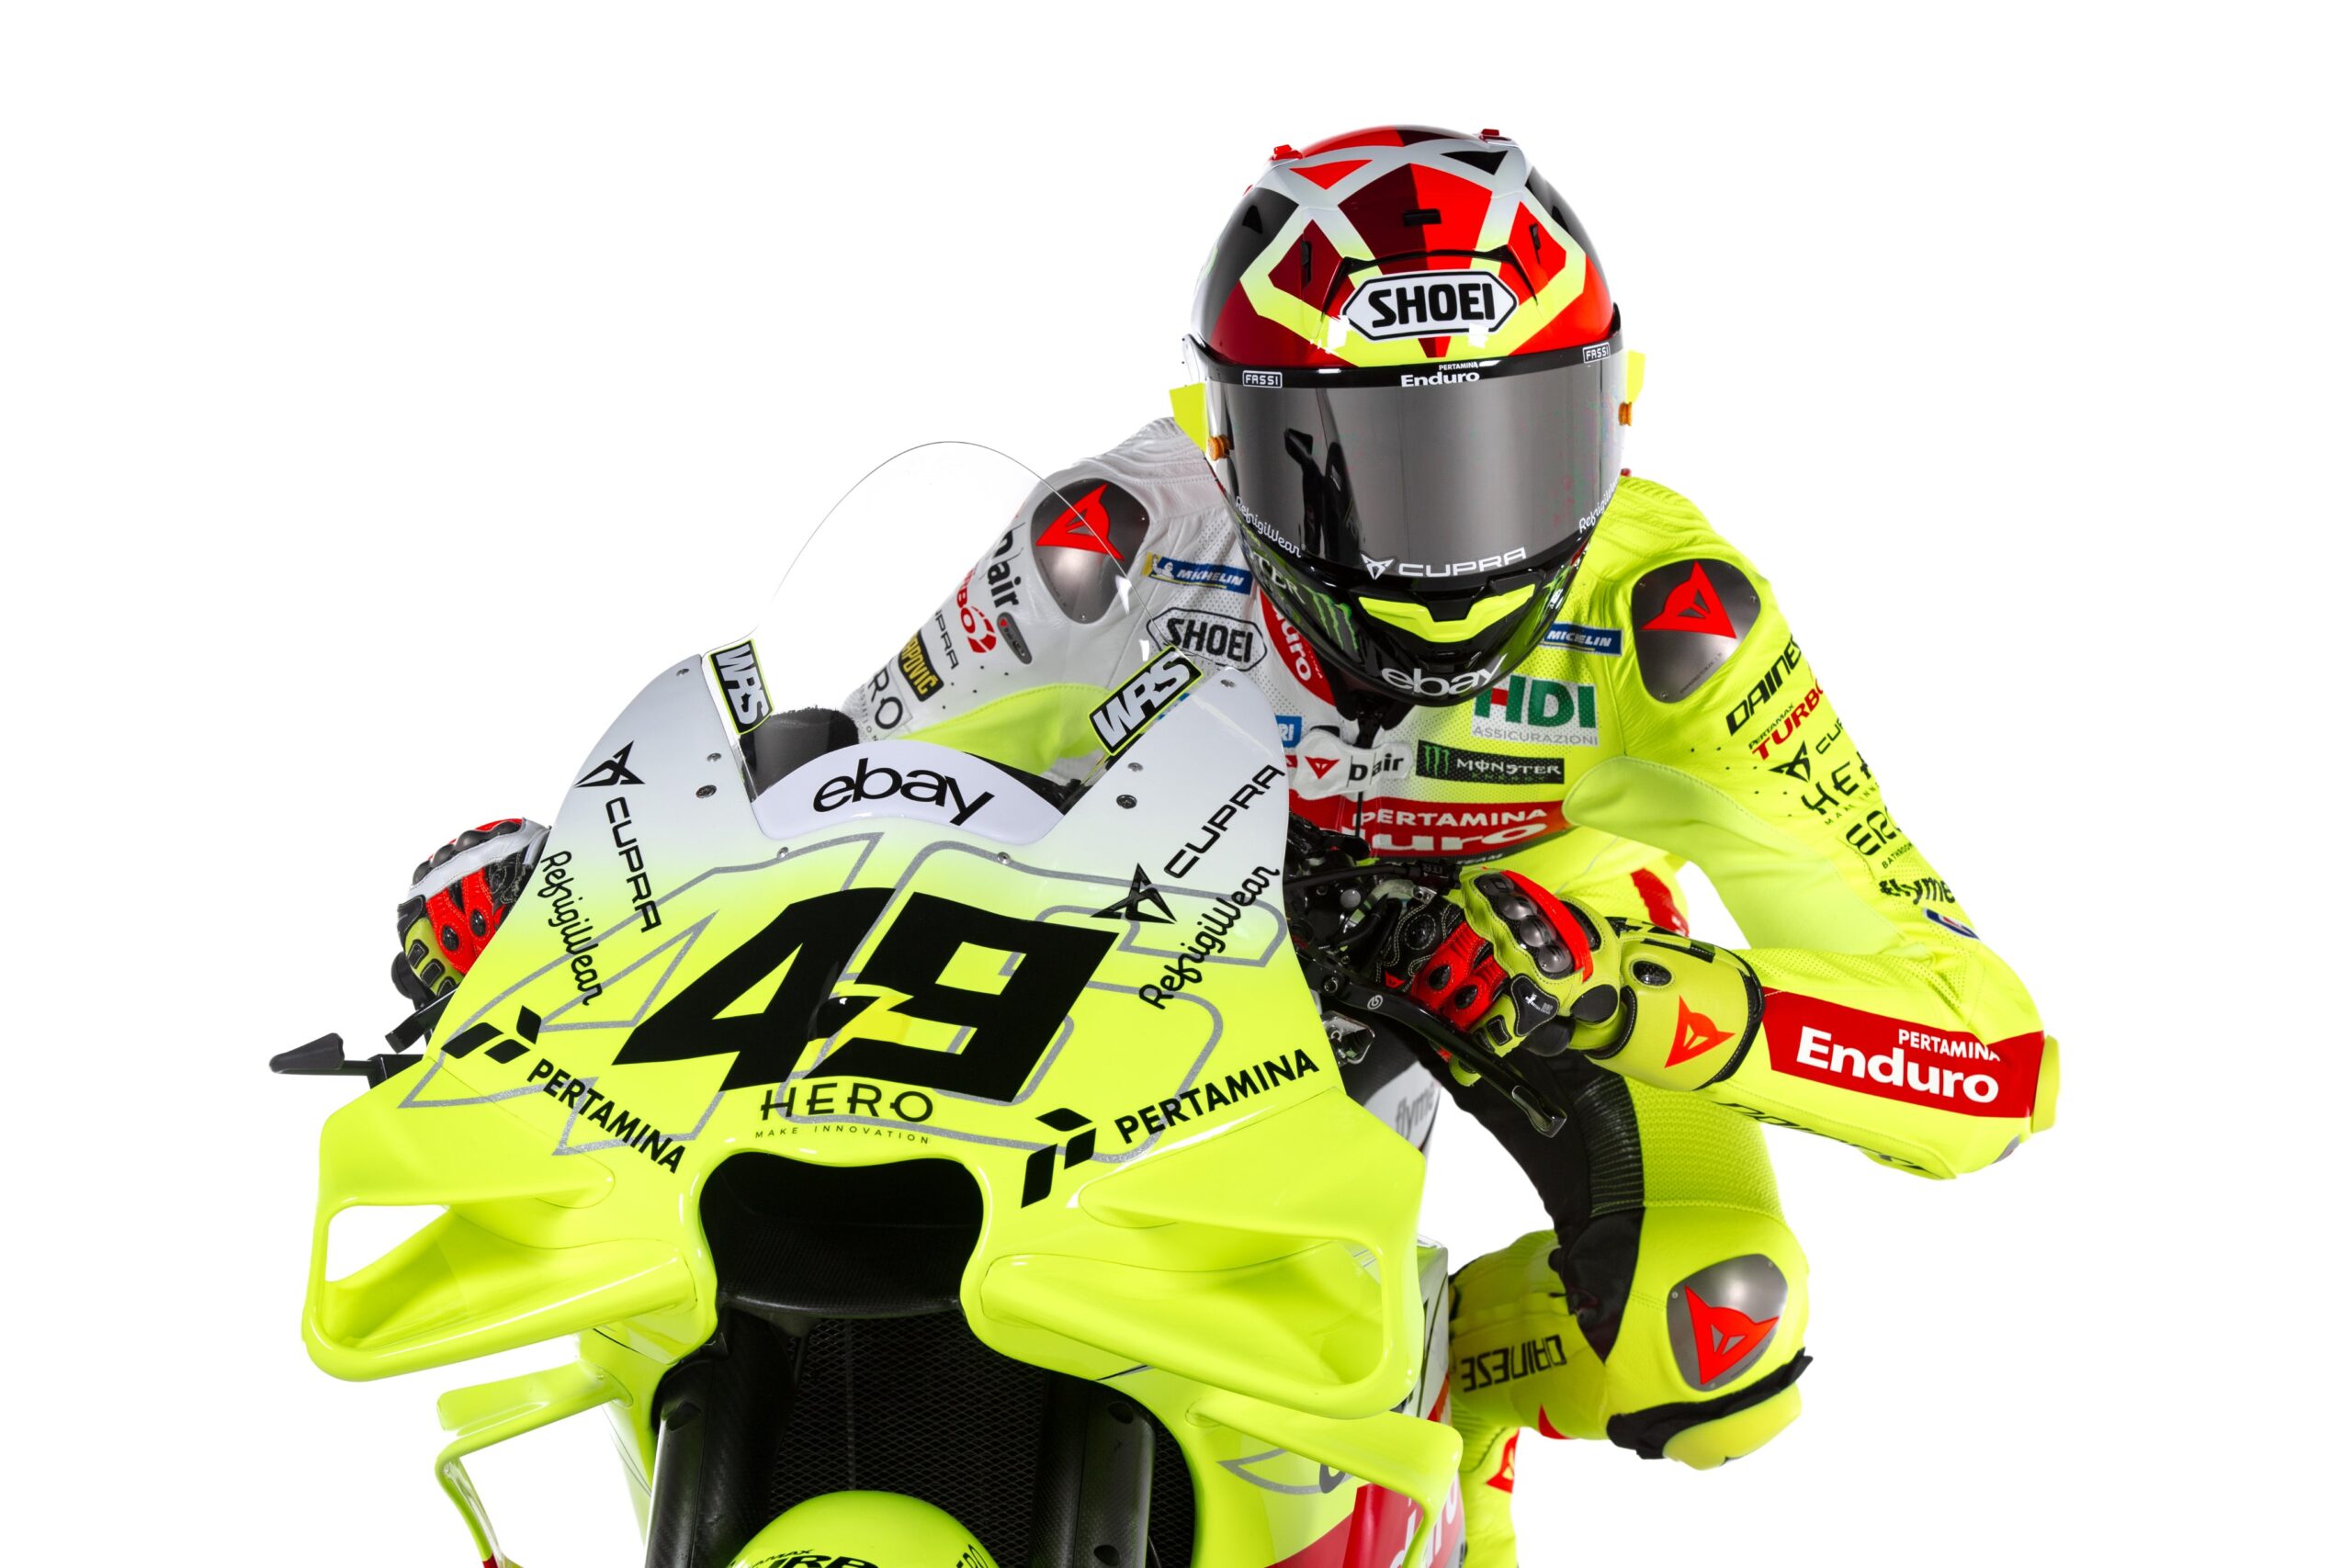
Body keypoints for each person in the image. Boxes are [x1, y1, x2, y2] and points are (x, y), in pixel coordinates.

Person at [396, 127, 2056, 1565]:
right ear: (1225, 437)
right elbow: (853, 787)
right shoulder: (1108, 549)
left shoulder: (1682, 630)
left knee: (1719, 1322)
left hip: (1518, 948)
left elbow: (1993, 1062)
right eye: (1363, 469)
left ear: (1617, 412)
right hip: (1155, 939)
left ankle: (1449, 1409)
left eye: (1504, 452)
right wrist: (573, 898)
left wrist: (1631, 992)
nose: (1444, 548)